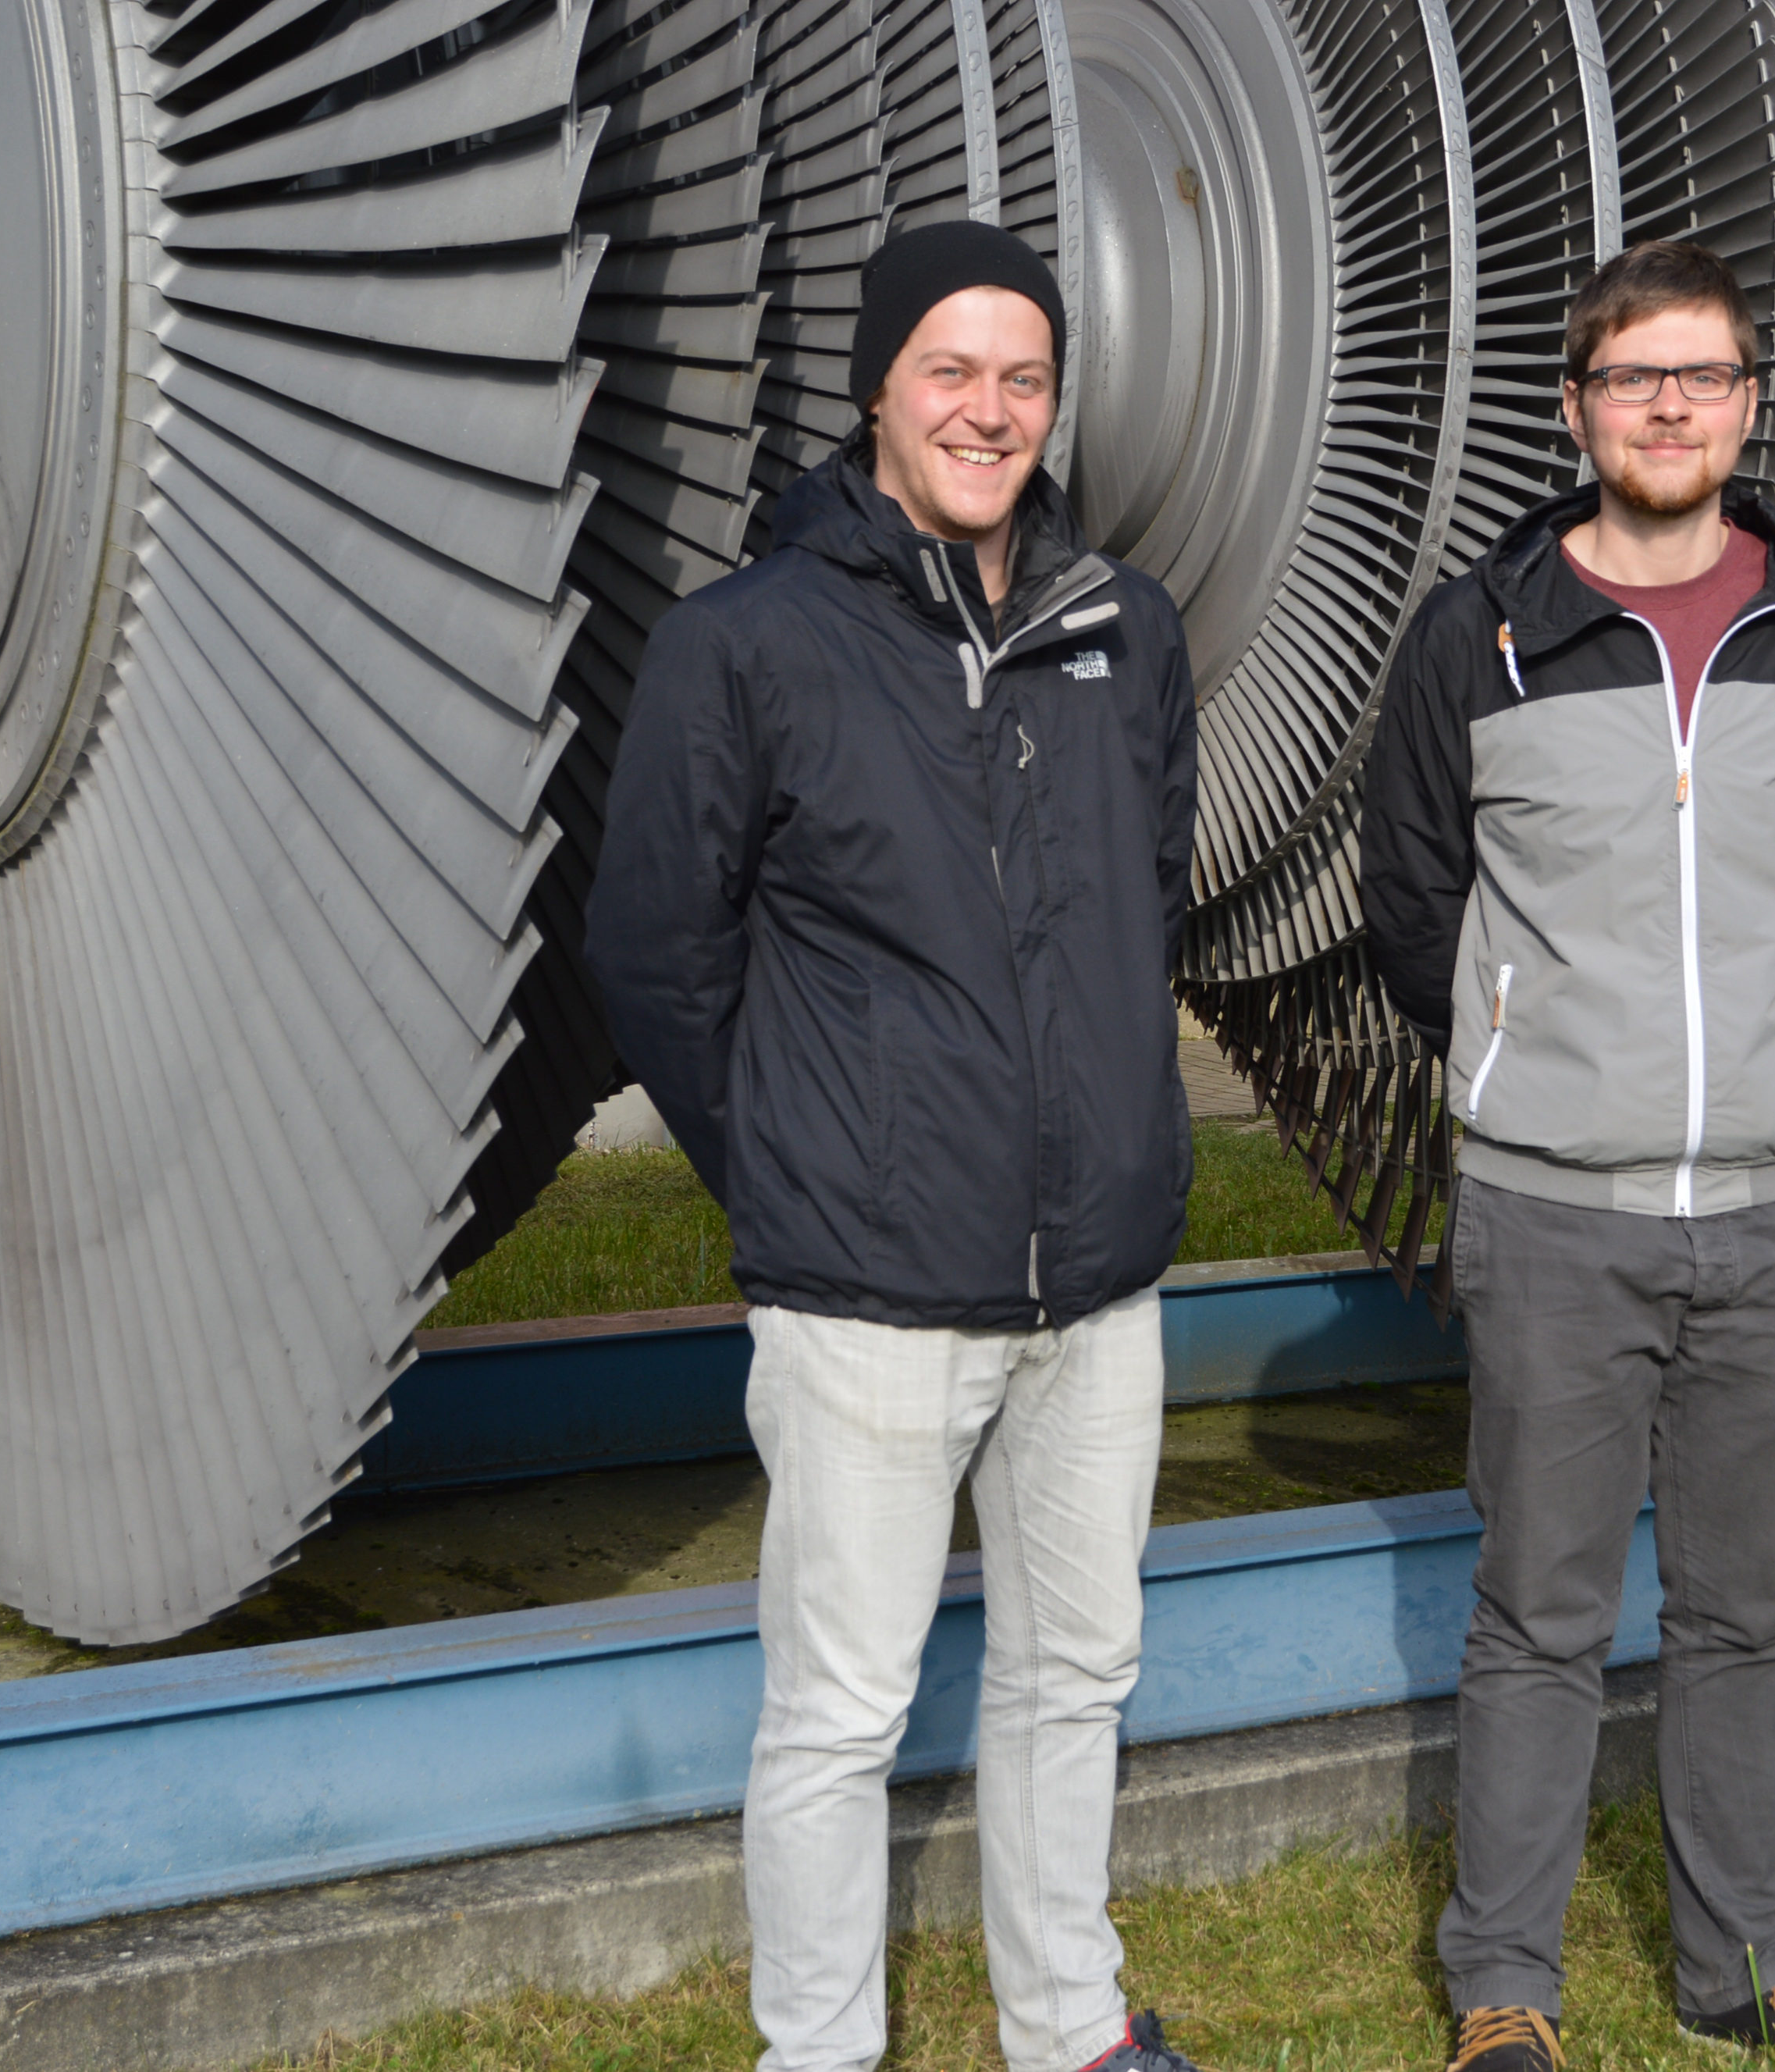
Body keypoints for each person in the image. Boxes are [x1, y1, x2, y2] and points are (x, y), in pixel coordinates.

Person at [586, 219, 1204, 2072]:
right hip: (864, 1293)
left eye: (1024, 375)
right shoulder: (746, 645)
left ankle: (1069, 2026)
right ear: (877, 384)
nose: (989, 409)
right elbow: (653, 950)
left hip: (1095, 1286)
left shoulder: (1124, 627)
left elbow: (1143, 903)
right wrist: (797, 1163)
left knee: (1075, 1674)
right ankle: (822, 2051)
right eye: (950, 368)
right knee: (842, 1710)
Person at [1359, 240, 1775, 2072]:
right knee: (1541, 1614)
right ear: (1577, 404)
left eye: (1703, 375)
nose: (1668, 405)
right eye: (1631, 376)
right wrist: (1534, 1067)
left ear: (1751, 403)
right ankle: (1505, 1982)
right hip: (1556, 1215)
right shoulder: (1482, 632)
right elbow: (1412, 895)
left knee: (1745, 1612)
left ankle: (1746, 1962)